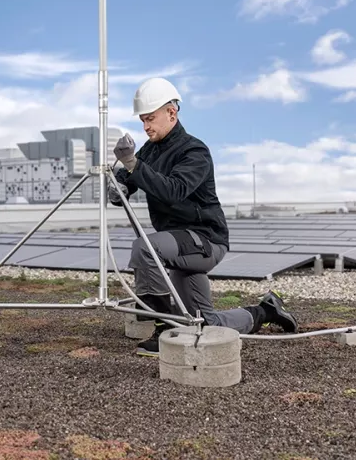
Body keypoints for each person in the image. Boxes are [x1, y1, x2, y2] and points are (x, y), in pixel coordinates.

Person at [109, 77, 298, 357]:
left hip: (205, 241)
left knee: (146, 248)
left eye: (150, 119)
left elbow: (174, 191)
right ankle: (266, 311)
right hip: (177, 246)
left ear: (171, 113)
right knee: (203, 323)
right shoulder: (150, 149)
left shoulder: (194, 151)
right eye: (142, 121)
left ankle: (164, 329)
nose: (146, 126)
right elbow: (131, 178)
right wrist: (119, 185)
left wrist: (133, 164)